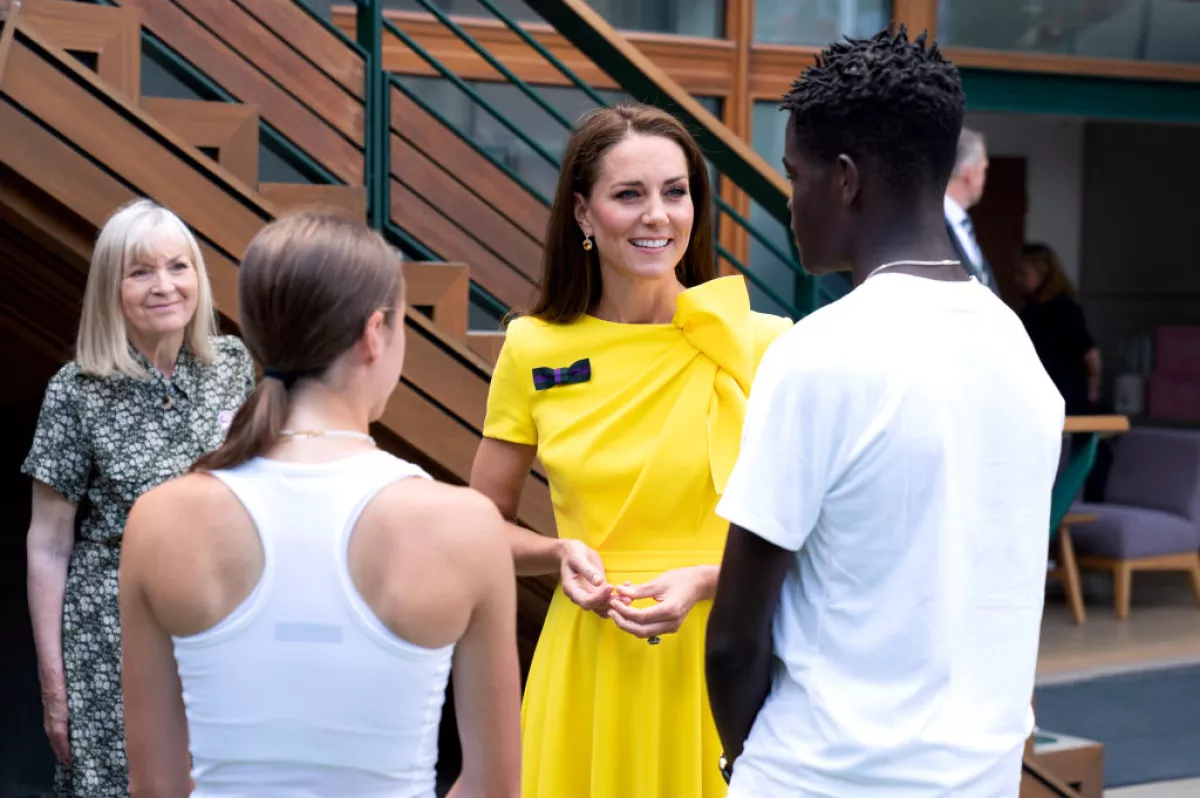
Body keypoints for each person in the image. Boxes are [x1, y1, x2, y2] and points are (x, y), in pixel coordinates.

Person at [706, 27, 1065, 797]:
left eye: (792, 173)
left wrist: (746, 765)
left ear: (843, 179)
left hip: (816, 776)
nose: (786, 198)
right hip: (981, 778)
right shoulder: (1021, 355)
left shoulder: (818, 354)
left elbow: (734, 640)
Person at [118, 212, 522, 798]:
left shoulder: (160, 518)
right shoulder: (463, 524)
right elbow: (494, 789)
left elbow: (155, 787)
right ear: (375, 332)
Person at [469, 102, 792, 798]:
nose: (657, 215)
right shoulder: (531, 348)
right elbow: (477, 527)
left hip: (720, 655)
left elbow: (814, 535)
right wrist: (555, 554)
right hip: (589, 660)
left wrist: (706, 581)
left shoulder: (762, 343)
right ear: (583, 214)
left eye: (676, 193)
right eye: (629, 195)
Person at [22, 199, 256, 798]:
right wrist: (56, 687)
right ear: (111, 287)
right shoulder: (76, 390)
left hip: (226, 622)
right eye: (141, 272)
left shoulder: (233, 366)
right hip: (114, 635)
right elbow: (48, 544)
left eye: (178, 267)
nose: (164, 286)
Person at [1016, 242, 1102, 416]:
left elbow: (1090, 354)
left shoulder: (1064, 309)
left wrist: (1093, 387)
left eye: (1024, 274)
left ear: (1043, 273)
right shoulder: (1029, 310)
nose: (1019, 280)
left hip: (1064, 394)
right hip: (1036, 394)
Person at [945, 126, 1001, 295]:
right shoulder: (930, 223)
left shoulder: (962, 225)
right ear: (969, 174)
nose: (985, 178)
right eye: (983, 169)